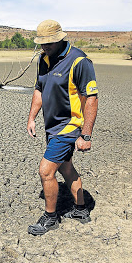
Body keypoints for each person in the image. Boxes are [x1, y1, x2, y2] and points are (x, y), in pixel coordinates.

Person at [27, 19, 98, 236]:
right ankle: (80, 209)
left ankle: (50, 218)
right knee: (66, 167)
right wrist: (32, 118)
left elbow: (91, 99)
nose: (45, 46)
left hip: (69, 127)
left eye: (49, 42)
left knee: (46, 171)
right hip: (52, 125)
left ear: (60, 39)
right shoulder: (44, 59)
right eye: (42, 42)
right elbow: (39, 89)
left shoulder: (79, 62)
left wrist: (85, 135)